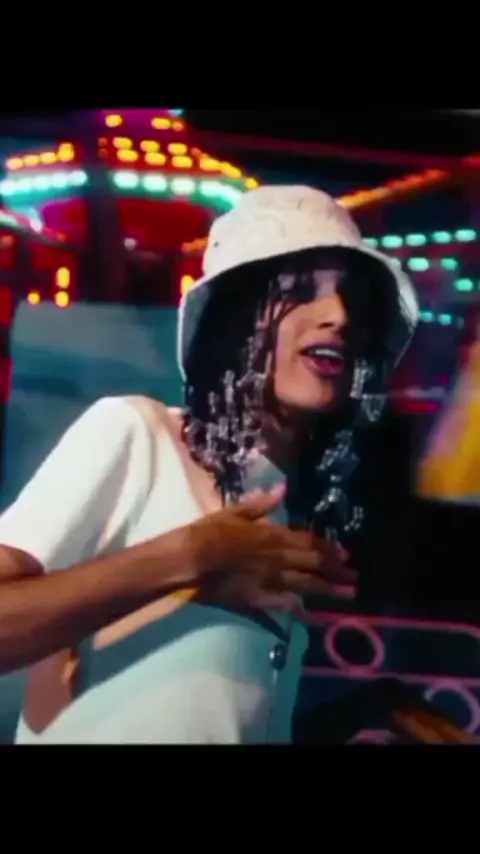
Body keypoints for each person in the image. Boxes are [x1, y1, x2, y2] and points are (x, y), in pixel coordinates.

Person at [0, 185, 418, 743]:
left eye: (354, 299)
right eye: (296, 291)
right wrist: (193, 556)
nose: (338, 316)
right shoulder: (140, 432)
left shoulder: (284, 512)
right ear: (233, 319)